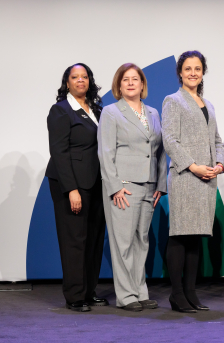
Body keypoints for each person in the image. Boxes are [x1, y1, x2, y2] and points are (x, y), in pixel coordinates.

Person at [98, 63, 167, 312]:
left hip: (149, 187)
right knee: (123, 243)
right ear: (119, 85)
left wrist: (161, 183)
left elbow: (159, 153)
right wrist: (114, 186)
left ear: (142, 84)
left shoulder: (153, 113)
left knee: (142, 241)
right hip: (124, 187)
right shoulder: (111, 112)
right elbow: (105, 153)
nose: (130, 83)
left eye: (134, 79)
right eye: (125, 79)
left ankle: (140, 292)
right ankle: (126, 295)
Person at [162, 51, 224, 313]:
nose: (193, 73)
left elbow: (217, 140)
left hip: (207, 179)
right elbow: (170, 140)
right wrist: (194, 166)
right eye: (188, 69)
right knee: (180, 236)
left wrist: (219, 164)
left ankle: (191, 292)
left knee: (196, 237)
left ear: (203, 72)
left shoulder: (207, 104)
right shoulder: (173, 101)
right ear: (180, 72)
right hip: (186, 177)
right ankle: (177, 295)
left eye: (197, 69)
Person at [45, 63, 107, 312]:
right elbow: (59, 152)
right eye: (75, 77)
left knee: (93, 239)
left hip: (95, 183)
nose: (80, 80)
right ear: (67, 82)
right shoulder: (60, 110)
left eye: (85, 77)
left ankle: (89, 291)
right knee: (74, 240)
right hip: (70, 183)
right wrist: (71, 189)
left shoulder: (97, 111)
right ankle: (75, 296)